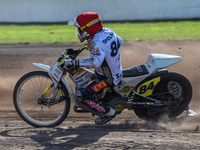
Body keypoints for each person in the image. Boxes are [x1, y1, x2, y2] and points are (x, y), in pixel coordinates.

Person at [66, 12, 123, 125]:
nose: (79, 32)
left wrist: (74, 63)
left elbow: (95, 62)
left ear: (88, 28)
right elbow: (119, 41)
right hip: (113, 72)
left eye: (80, 29)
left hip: (107, 79)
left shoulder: (97, 42)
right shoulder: (108, 31)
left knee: (80, 96)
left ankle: (107, 112)